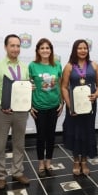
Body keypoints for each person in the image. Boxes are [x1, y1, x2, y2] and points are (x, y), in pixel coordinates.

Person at [0, 34, 30, 190]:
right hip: (2, 112)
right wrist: (1, 104)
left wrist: (29, 88)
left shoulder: (25, 67)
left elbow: (26, 88)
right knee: (0, 145)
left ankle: (17, 172)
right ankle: (1, 175)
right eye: (12, 45)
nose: (15, 48)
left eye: (18, 45)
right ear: (6, 47)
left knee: (19, 144)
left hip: (21, 112)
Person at [61, 39, 98, 175]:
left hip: (89, 106)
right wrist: (69, 106)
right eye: (79, 48)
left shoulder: (94, 65)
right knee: (75, 132)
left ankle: (84, 161)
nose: (83, 50)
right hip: (74, 107)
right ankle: (75, 160)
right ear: (75, 50)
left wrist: (96, 95)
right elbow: (63, 87)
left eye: (85, 48)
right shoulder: (69, 66)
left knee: (87, 132)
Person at [29, 38, 64, 178]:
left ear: (51, 50)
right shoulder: (32, 66)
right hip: (39, 106)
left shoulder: (57, 65)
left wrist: (62, 102)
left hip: (54, 106)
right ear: (38, 50)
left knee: (51, 136)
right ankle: (40, 163)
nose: (45, 50)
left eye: (47, 48)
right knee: (40, 136)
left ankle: (49, 162)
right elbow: (28, 86)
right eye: (42, 48)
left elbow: (61, 85)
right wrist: (29, 105)